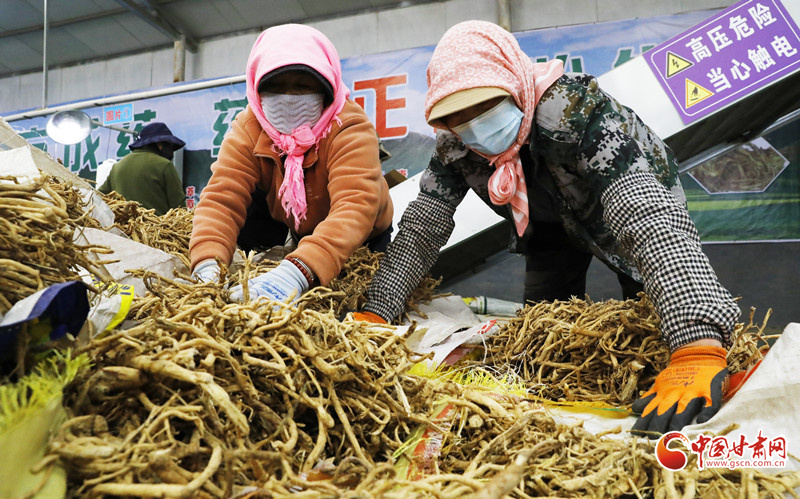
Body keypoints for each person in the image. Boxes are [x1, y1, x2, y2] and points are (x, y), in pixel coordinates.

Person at [357, 21, 740, 436]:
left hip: (620, 212)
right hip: (546, 224)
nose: (473, 125)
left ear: (513, 84)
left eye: (484, 107)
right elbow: (421, 229)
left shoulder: (576, 112)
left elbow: (644, 216)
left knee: (648, 319)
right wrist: (377, 312)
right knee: (543, 330)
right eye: (457, 117)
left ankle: (689, 355)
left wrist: (696, 345)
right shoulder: (456, 144)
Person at [189, 24, 393, 304]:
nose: (289, 98)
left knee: (361, 301)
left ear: (326, 89)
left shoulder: (348, 126)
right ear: (258, 90)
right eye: (275, 88)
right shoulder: (250, 127)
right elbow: (222, 199)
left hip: (364, 237)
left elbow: (355, 205)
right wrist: (207, 261)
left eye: (303, 87)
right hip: (302, 229)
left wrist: (298, 271)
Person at [98, 122, 186, 215]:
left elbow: (99, 195)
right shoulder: (165, 165)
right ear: (160, 144)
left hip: (123, 224)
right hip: (157, 224)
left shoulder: (117, 166)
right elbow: (179, 207)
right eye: (169, 145)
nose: (170, 150)